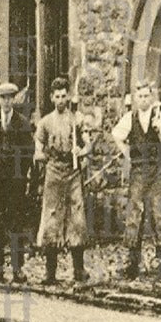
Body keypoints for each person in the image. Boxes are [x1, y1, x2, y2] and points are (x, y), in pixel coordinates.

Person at [111, 81, 161, 278]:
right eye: (140, 97)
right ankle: (132, 260)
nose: (143, 100)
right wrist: (127, 153)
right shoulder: (130, 118)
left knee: (159, 211)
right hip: (138, 170)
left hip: (156, 170)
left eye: (147, 96)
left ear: (152, 97)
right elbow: (116, 134)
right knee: (135, 212)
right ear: (136, 99)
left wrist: (159, 131)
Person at [34, 77, 91, 286]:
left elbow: (88, 145)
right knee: (52, 218)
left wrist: (81, 150)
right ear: (51, 98)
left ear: (68, 96)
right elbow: (38, 148)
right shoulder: (45, 123)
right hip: (53, 172)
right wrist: (41, 154)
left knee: (77, 217)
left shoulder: (77, 119)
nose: (60, 100)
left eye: (63, 96)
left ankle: (79, 269)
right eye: (56, 96)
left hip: (73, 172)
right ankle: (50, 272)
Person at [0, 82, 33, 286]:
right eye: (2, 98)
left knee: (16, 224)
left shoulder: (22, 123)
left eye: (9, 98)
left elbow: (29, 151)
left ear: (14, 100)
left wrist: (21, 174)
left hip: (15, 183)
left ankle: (17, 269)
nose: (6, 102)